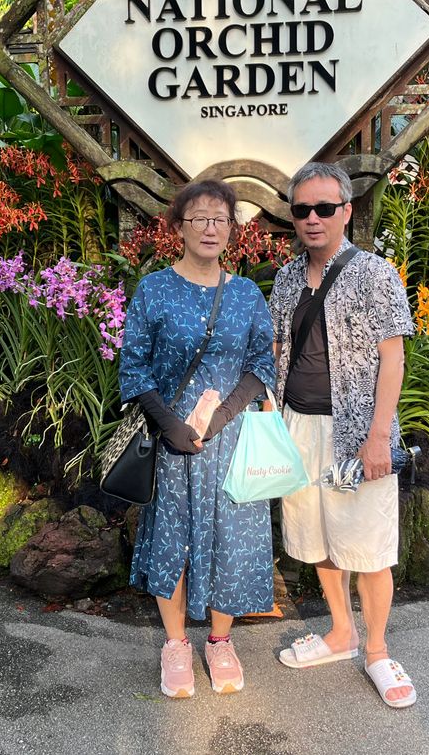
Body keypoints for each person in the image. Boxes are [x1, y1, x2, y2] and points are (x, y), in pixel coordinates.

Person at [119, 179, 276, 699]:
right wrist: (170, 425)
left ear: (232, 229)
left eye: (220, 219)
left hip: (230, 441)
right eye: (199, 218)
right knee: (172, 537)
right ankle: (175, 644)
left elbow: (262, 363)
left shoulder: (246, 294)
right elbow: (134, 367)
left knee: (233, 537)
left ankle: (220, 641)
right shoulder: (154, 290)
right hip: (173, 442)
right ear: (179, 228)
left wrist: (225, 414)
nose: (210, 228)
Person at [268, 161, 418, 708]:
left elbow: (393, 358)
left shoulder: (375, 274)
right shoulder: (286, 278)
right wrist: (271, 417)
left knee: (369, 545)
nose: (313, 218)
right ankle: (340, 632)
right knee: (318, 536)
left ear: (346, 211)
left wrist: (379, 436)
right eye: (302, 209)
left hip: (355, 432)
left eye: (324, 208)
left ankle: (377, 650)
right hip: (298, 426)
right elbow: (277, 348)